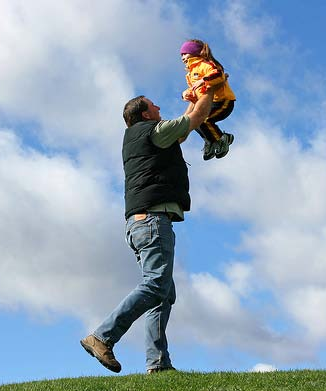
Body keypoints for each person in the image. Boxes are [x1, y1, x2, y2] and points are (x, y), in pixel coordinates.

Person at [80, 86, 217, 374]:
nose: (158, 108)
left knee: (163, 292)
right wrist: (210, 88)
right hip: (153, 221)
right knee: (156, 285)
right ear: (145, 113)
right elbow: (195, 120)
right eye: (154, 105)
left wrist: (193, 102)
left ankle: (158, 363)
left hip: (141, 224)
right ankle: (103, 336)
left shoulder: (145, 134)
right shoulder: (151, 130)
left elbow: (182, 129)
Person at [180, 39, 236, 160]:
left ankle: (221, 139)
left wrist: (203, 80)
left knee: (205, 120)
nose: (182, 57)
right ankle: (210, 141)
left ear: (194, 52)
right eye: (181, 55)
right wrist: (189, 93)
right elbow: (196, 89)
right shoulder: (190, 74)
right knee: (194, 122)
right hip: (209, 103)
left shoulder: (204, 65)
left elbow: (218, 74)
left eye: (185, 53)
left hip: (222, 101)